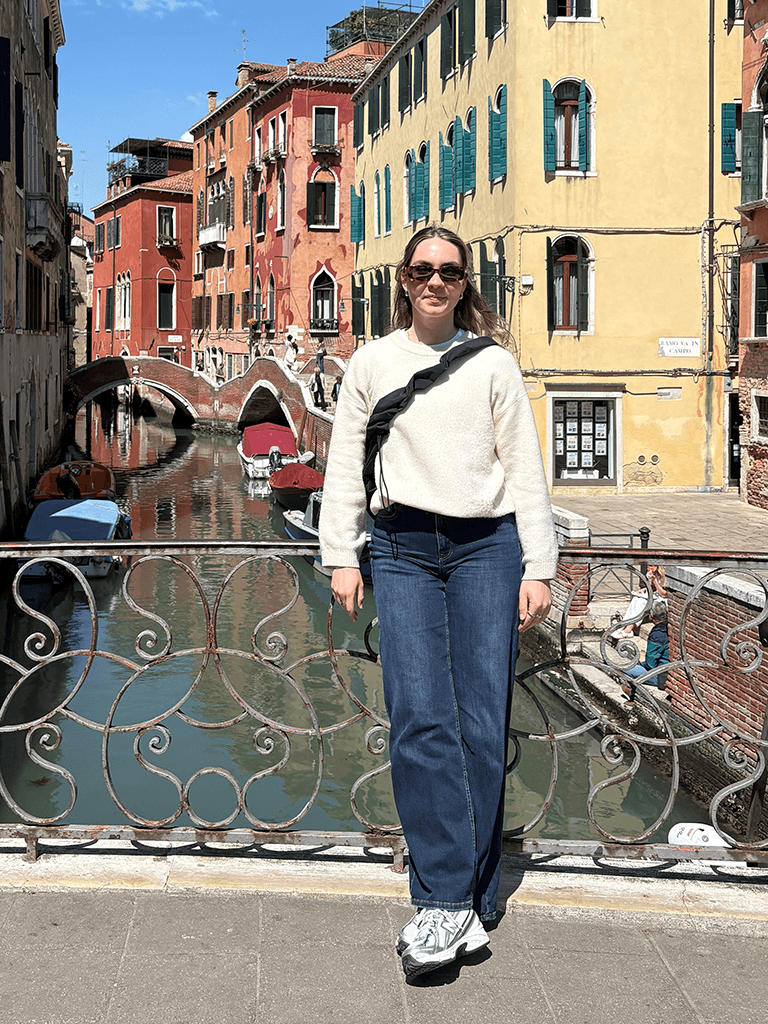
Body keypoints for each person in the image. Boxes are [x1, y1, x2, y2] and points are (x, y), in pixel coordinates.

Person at [319, 225, 558, 978]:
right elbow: (343, 465)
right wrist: (340, 554)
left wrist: (539, 567)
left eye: (448, 272)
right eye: (422, 269)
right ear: (403, 278)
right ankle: (447, 901)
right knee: (420, 719)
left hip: (489, 548)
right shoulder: (371, 362)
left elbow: (525, 470)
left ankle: (470, 897)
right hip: (400, 549)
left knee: (484, 724)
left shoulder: (493, 364)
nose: (434, 281)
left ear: (464, 284)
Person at [620, 603, 670, 702]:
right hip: (669, 671)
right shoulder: (670, 628)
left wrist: (642, 661)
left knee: (624, 669)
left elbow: (650, 664)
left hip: (661, 676)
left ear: (651, 616)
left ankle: (633, 697)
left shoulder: (657, 634)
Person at [612, 564, 667, 638]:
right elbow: (654, 588)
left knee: (642, 601)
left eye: (651, 566)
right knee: (636, 598)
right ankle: (623, 624)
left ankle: (629, 628)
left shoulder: (664, 575)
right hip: (656, 595)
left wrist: (654, 580)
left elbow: (663, 594)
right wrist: (644, 589)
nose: (649, 568)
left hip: (662, 600)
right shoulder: (655, 574)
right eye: (648, 566)